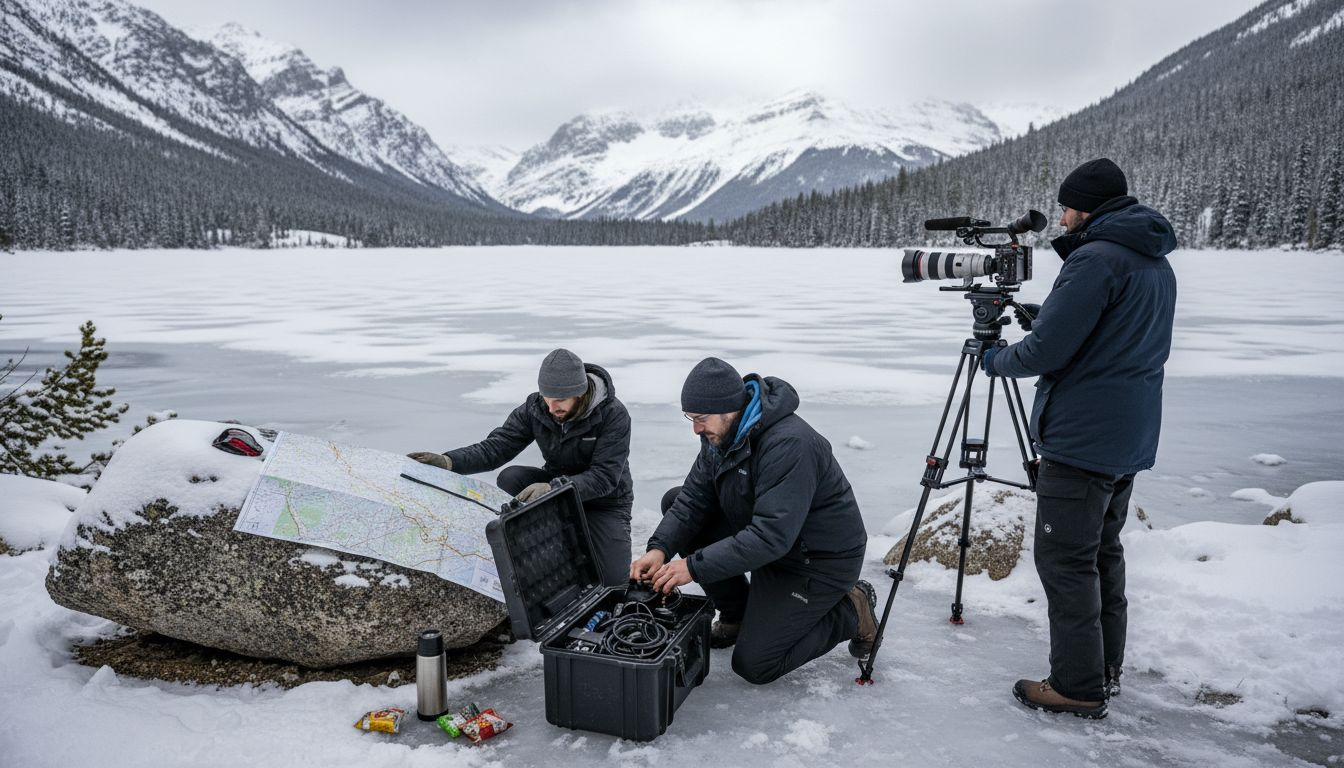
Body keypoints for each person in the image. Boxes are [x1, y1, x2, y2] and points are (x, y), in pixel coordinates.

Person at [982, 158, 1177, 719]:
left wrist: (995, 359)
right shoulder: (1152, 260)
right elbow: (1111, 333)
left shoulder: (1094, 259)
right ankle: (1103, 668)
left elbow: (1045, 355)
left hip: (1083, 437)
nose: (1062, 217)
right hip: (1126, 432)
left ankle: (1076, 686)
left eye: (1067, 207)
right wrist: (1047, 316)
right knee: (1102, 553)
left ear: (1086, 209)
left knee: (1066, 561)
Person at [630, 357, 877, 685]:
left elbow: (770, 536)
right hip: (772, 542)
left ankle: (852, 610)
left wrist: (692, 567)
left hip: (815, 560)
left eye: (701, 419)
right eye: (691, 418)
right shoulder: (721, 435)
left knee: (755, 664)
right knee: (675, 500)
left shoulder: (789, 444)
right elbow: (693, 499)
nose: (696, 429)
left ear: (729, 409)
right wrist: (659, 549)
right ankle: (737, 615)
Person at [409, 348, 633, 586]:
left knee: (613, 583)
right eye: (547, 397)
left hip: (604, 502)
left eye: (559, 400)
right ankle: (548, 536)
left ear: (579, 393)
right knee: (511, 477)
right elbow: (497, 447)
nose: (551, 407)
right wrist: (449, 461)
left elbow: (604, 477)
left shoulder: (613, 415)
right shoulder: (535, 407)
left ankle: (574, 532)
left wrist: (553, 488)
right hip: (558, 493)